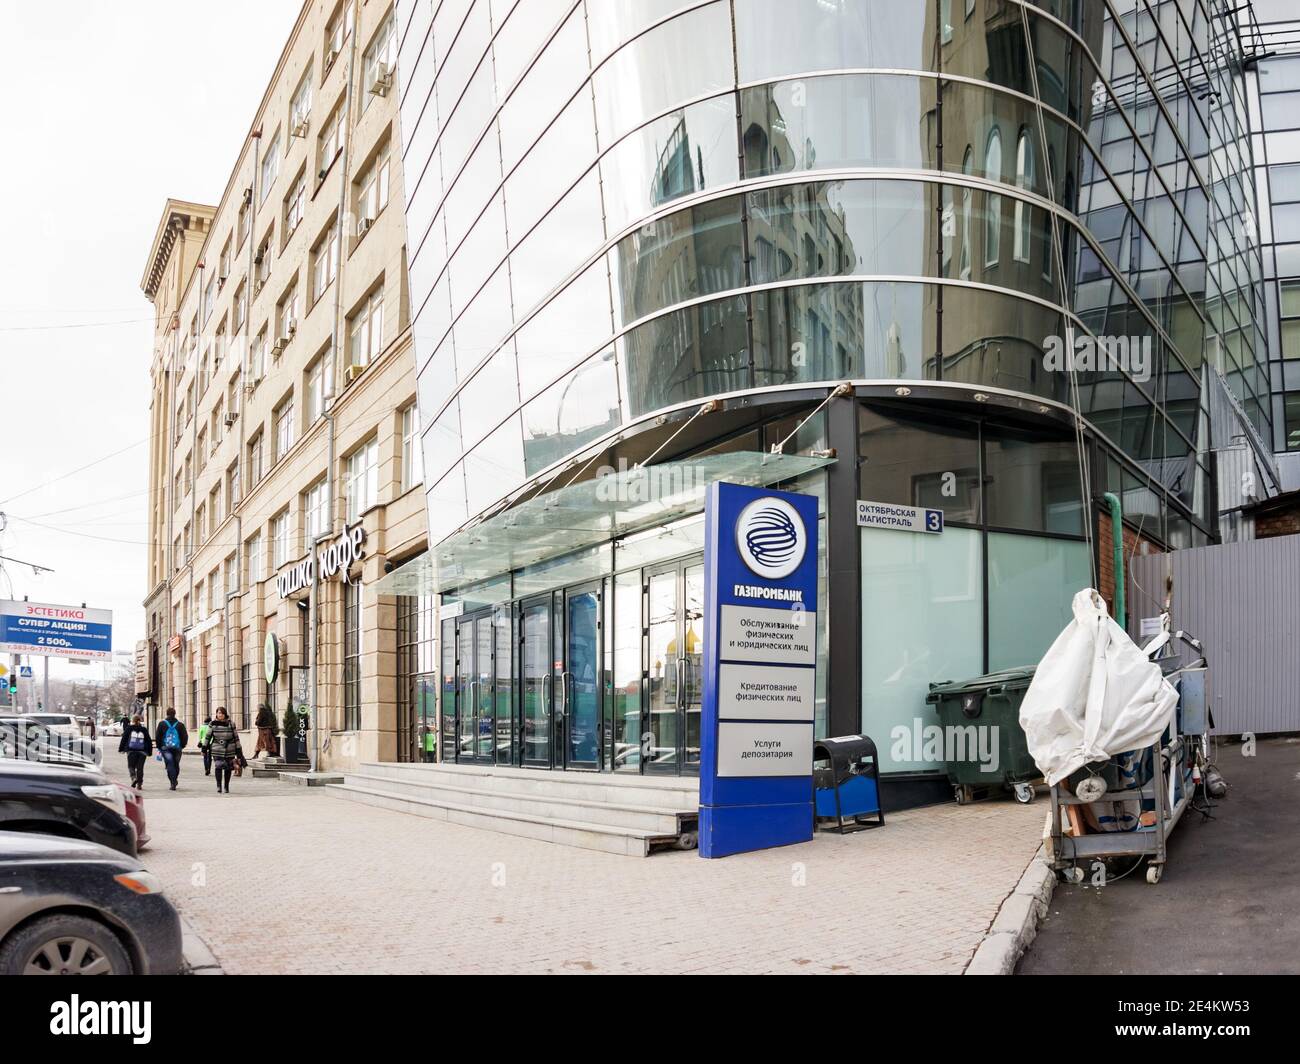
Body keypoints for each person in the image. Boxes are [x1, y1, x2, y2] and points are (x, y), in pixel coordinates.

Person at [204, 707, 243, 794]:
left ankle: (226, 786)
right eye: (218, 713)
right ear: (216, 714)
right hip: (217, 748)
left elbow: (236, 737)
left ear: (225, 714)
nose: (220, 715)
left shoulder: (231, 723)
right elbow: (208, 736)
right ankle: (219, 786)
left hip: (230, 748)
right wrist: (204, 747)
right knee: (218, 766)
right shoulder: (212, 724)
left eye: (221, 713)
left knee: (228, 768)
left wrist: (238, 749)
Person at [154, 708, 189, 791]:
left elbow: (158, 736)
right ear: (175, 714)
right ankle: (175, 779)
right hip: (177, 748)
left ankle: (172, 782)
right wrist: (182, 746)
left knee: (169, 764)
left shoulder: (162, 724)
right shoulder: (180, 725)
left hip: (165, 748)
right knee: (176, 764)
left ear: (167, 714)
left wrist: (159, 747)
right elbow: (185, 736)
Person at [118, 714, 153, 789]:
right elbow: (148, 740)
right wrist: (149, 752)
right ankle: (139, 784)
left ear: (132, 721)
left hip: (131, 751)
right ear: (139, 720)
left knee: (131, 766)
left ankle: (133, 778)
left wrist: (121, 749)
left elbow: (124, 739)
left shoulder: (129, 728)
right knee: (140, 768)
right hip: (142, 752)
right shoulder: (144, 729)